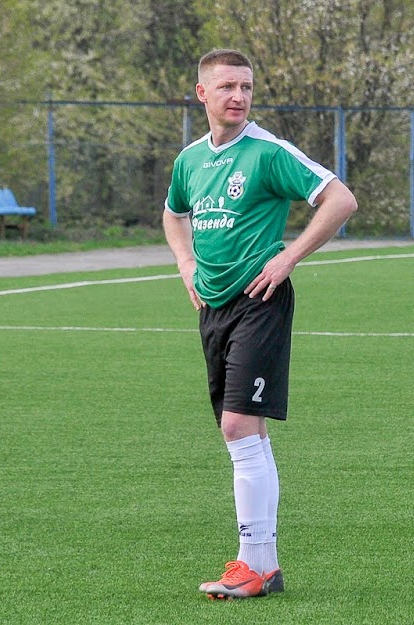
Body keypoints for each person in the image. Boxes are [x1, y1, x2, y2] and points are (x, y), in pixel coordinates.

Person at [162, 48, 358, 599]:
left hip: (260, 299)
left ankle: (251, 563)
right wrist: (186, 264)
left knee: (237, 428)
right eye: (227, 87)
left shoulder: (268, 151)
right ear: (202, 93)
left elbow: (341, 199)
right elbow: (173, 212)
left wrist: (288, 257)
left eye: (246, 87)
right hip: (215, 305)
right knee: (245, 432)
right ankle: (264, 567)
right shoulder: (191, 160)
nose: (238, 97)